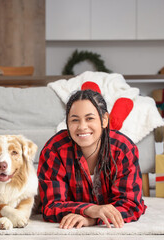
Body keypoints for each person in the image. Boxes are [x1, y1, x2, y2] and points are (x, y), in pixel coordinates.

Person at [37, 89, 146, 229]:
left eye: (90, 118)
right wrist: (91, 209)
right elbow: (51, 207)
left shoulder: (123, 149)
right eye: (75, 120)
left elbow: (131, 205)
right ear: (67, 123)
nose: (82, 127)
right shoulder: (54, 149)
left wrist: (92, 220)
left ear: (104, 120)